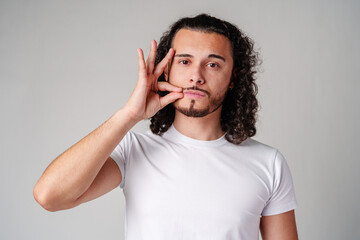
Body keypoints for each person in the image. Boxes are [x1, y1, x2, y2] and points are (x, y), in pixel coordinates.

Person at [33, 14, 298, 240]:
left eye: (213, 64)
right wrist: (129, 115)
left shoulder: (269, 163)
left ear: (233, 77)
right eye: (185, 61)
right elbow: (49, 196)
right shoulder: (133, 150)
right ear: (167, 70)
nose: (196, 75)